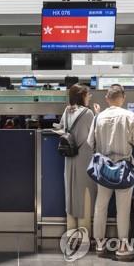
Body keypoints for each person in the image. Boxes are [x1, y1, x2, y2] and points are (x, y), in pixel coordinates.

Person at [87, 84, 134, 260]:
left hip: (103, 169)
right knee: (123, 208)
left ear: (106, 99)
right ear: (123, 98)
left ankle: (100, 244)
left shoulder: (99, 117)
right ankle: (122, 245)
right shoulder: (129, 116)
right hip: (123, 169)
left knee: (100, 206)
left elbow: (90, 143)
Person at [56, 84, 98, 232]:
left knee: (71, 193)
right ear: (82, 96)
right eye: (88, 95)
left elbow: (61, 128)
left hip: (69, 158)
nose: (89, 97)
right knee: (85, 194)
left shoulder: (67, 110)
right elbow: (94, 135)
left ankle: (71, 231)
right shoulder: (88, 113)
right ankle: (84, 233)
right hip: (84, 158)